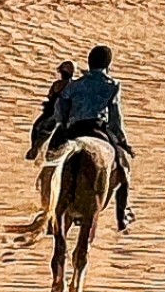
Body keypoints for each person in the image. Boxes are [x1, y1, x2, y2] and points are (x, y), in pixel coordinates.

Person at [47, 44, 134, 232]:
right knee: (123, 169)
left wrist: (63, 123)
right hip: (98, 128)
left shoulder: (76, 84)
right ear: (108, 63)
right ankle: (121, 216)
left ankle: (49, 208)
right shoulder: (112, 85)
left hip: (74, 129)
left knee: (51, 161)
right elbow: (115, 118)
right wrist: (122, 141)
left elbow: (60, 107)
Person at [26, 59, 76, 161]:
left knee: (37, 127)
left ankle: (34, 148)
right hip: (70, 113)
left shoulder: (57, 85)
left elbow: (50, 97)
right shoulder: (74, 85)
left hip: (54, 113)